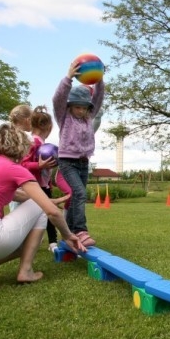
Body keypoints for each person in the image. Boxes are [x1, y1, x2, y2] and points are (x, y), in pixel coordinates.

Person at [0, 123, 86, 289]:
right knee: (40, 211)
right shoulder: (14, 168)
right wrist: (67, 235)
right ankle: (26, 270)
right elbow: (51, 212)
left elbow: (21, 196)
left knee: (32, 228)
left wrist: (52, 201)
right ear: (22, 147)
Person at [53, 62, 105, 247]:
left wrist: (100, 80)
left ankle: (68, 233)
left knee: (77, 197)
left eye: (84, 108)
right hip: (67, 162)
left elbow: (98, 98)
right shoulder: (64, 117)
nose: (81, 110)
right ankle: (81, 231)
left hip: (84, 163)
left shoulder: (88, 118)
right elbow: (58, 99)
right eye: (77, 107)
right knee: (80, 194)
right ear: (70, 107)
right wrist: (68, 78)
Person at [20, 106, 59, 252]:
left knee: (50, 212)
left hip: (43, 185)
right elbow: (22, 164)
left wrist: (49, 183)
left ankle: (53, 242)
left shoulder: (44, 144)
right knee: (43, 212)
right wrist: (39, 165)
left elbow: (46, 169)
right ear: (46, 126)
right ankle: (31, 240)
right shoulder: (33, 142)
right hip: (34, 186)